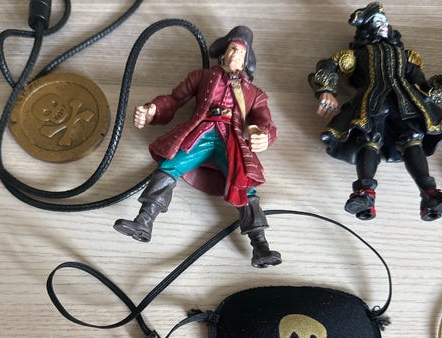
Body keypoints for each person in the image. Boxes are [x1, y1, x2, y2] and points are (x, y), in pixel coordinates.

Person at [114, 26, 281, 268]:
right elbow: (174, 99)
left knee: (244, 185)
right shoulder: (202, 77)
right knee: (169, 166)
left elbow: (266, 122)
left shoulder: (255, 93)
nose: (235, 55)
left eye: (241, 53)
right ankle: (144, 221)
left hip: (230, 141)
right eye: (232, 49)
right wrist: (153, 110)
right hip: (200, 134)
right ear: (223, 53)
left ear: (246, 61)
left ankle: (261, 246)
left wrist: (263, 135)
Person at [308, 2, 442, 220]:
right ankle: (364, 193)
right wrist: (326, 90)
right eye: (377, 21)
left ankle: (429, 193)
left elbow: (420, 84)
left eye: (384, 21)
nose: (383, 25)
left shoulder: (406, 56)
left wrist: (436, 90)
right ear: (366, 29)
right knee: (368, 137)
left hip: (406, 100)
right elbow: (328, 67)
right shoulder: (353, 56)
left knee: (412, 137)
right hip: (371, 100)